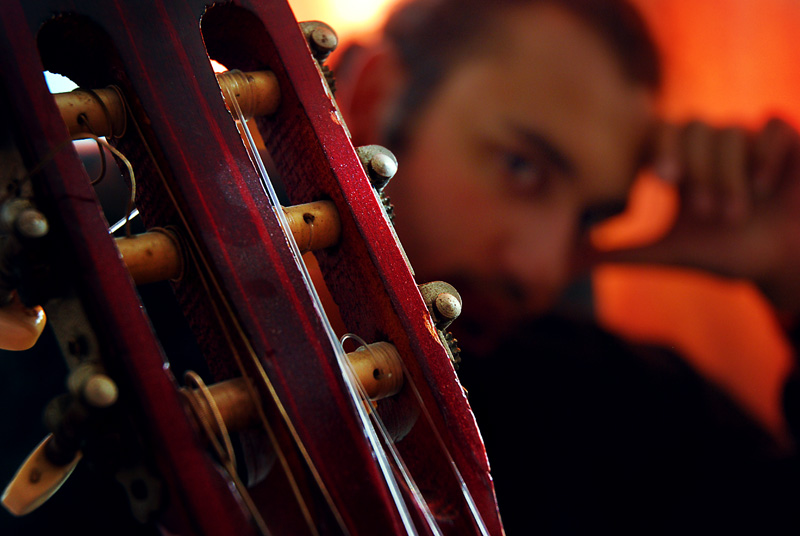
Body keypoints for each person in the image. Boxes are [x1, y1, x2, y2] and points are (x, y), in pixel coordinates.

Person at [332, 0, 800, 532]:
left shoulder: (616, 406)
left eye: (589, 219)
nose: (545, 270)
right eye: (521, 167)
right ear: (376, 98)